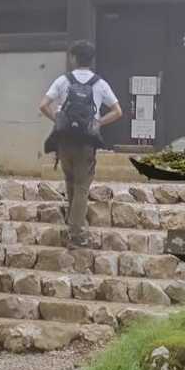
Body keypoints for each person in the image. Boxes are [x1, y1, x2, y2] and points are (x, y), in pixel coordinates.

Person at [37, 40, 122, 247]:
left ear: (74, 58)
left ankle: (72, 223)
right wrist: (97, 122)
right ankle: (76, 234)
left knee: (70, 181)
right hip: (86, 143)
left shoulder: (63, 80)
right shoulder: (100, 83)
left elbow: (43, 105)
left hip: (64, 141)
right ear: (91, 59)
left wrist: (59, 121)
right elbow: (118, 112)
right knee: (82, 186)